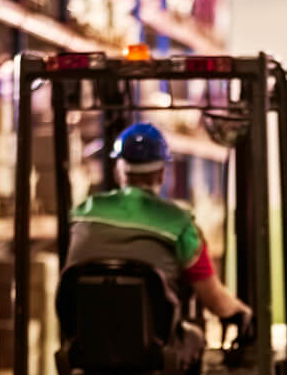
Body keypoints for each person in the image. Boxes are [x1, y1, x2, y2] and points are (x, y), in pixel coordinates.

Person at [65, 122, 251, 336]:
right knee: (195, 337)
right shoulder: (179, 224)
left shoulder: (83, 212)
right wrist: (239, 310)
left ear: (118, 172)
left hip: (85, 347)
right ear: (162, 174)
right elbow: (214, 300)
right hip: (153, 356)